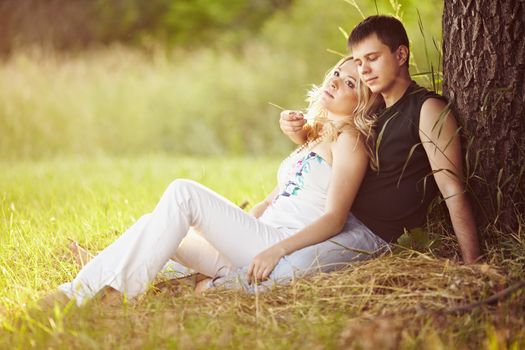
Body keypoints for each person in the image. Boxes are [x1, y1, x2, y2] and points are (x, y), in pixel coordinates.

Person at [51, 56, 386, 306]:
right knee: (153, 223)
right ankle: (87, 287)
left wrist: (275, 250)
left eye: (351, 83)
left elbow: (334, 218)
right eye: (338, 72)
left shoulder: (351, 142)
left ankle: (97, 296)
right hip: (254, 241)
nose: (337, 80)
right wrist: (235, 224)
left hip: (276, 246)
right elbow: (275, 199)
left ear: (363, 101)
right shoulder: (318, 135)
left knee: (184, 193)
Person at [277, 15, 480, 266]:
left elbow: (452, 189)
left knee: (292, 267)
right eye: (359, 62)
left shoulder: (426, 109)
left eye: (372, 58)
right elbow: (331, 145)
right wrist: (297, 129)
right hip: (339, 219)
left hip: (376, 233)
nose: (364, 70)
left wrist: (473, 263)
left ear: (401, 55)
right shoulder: (371, 109)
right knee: (274, 251)